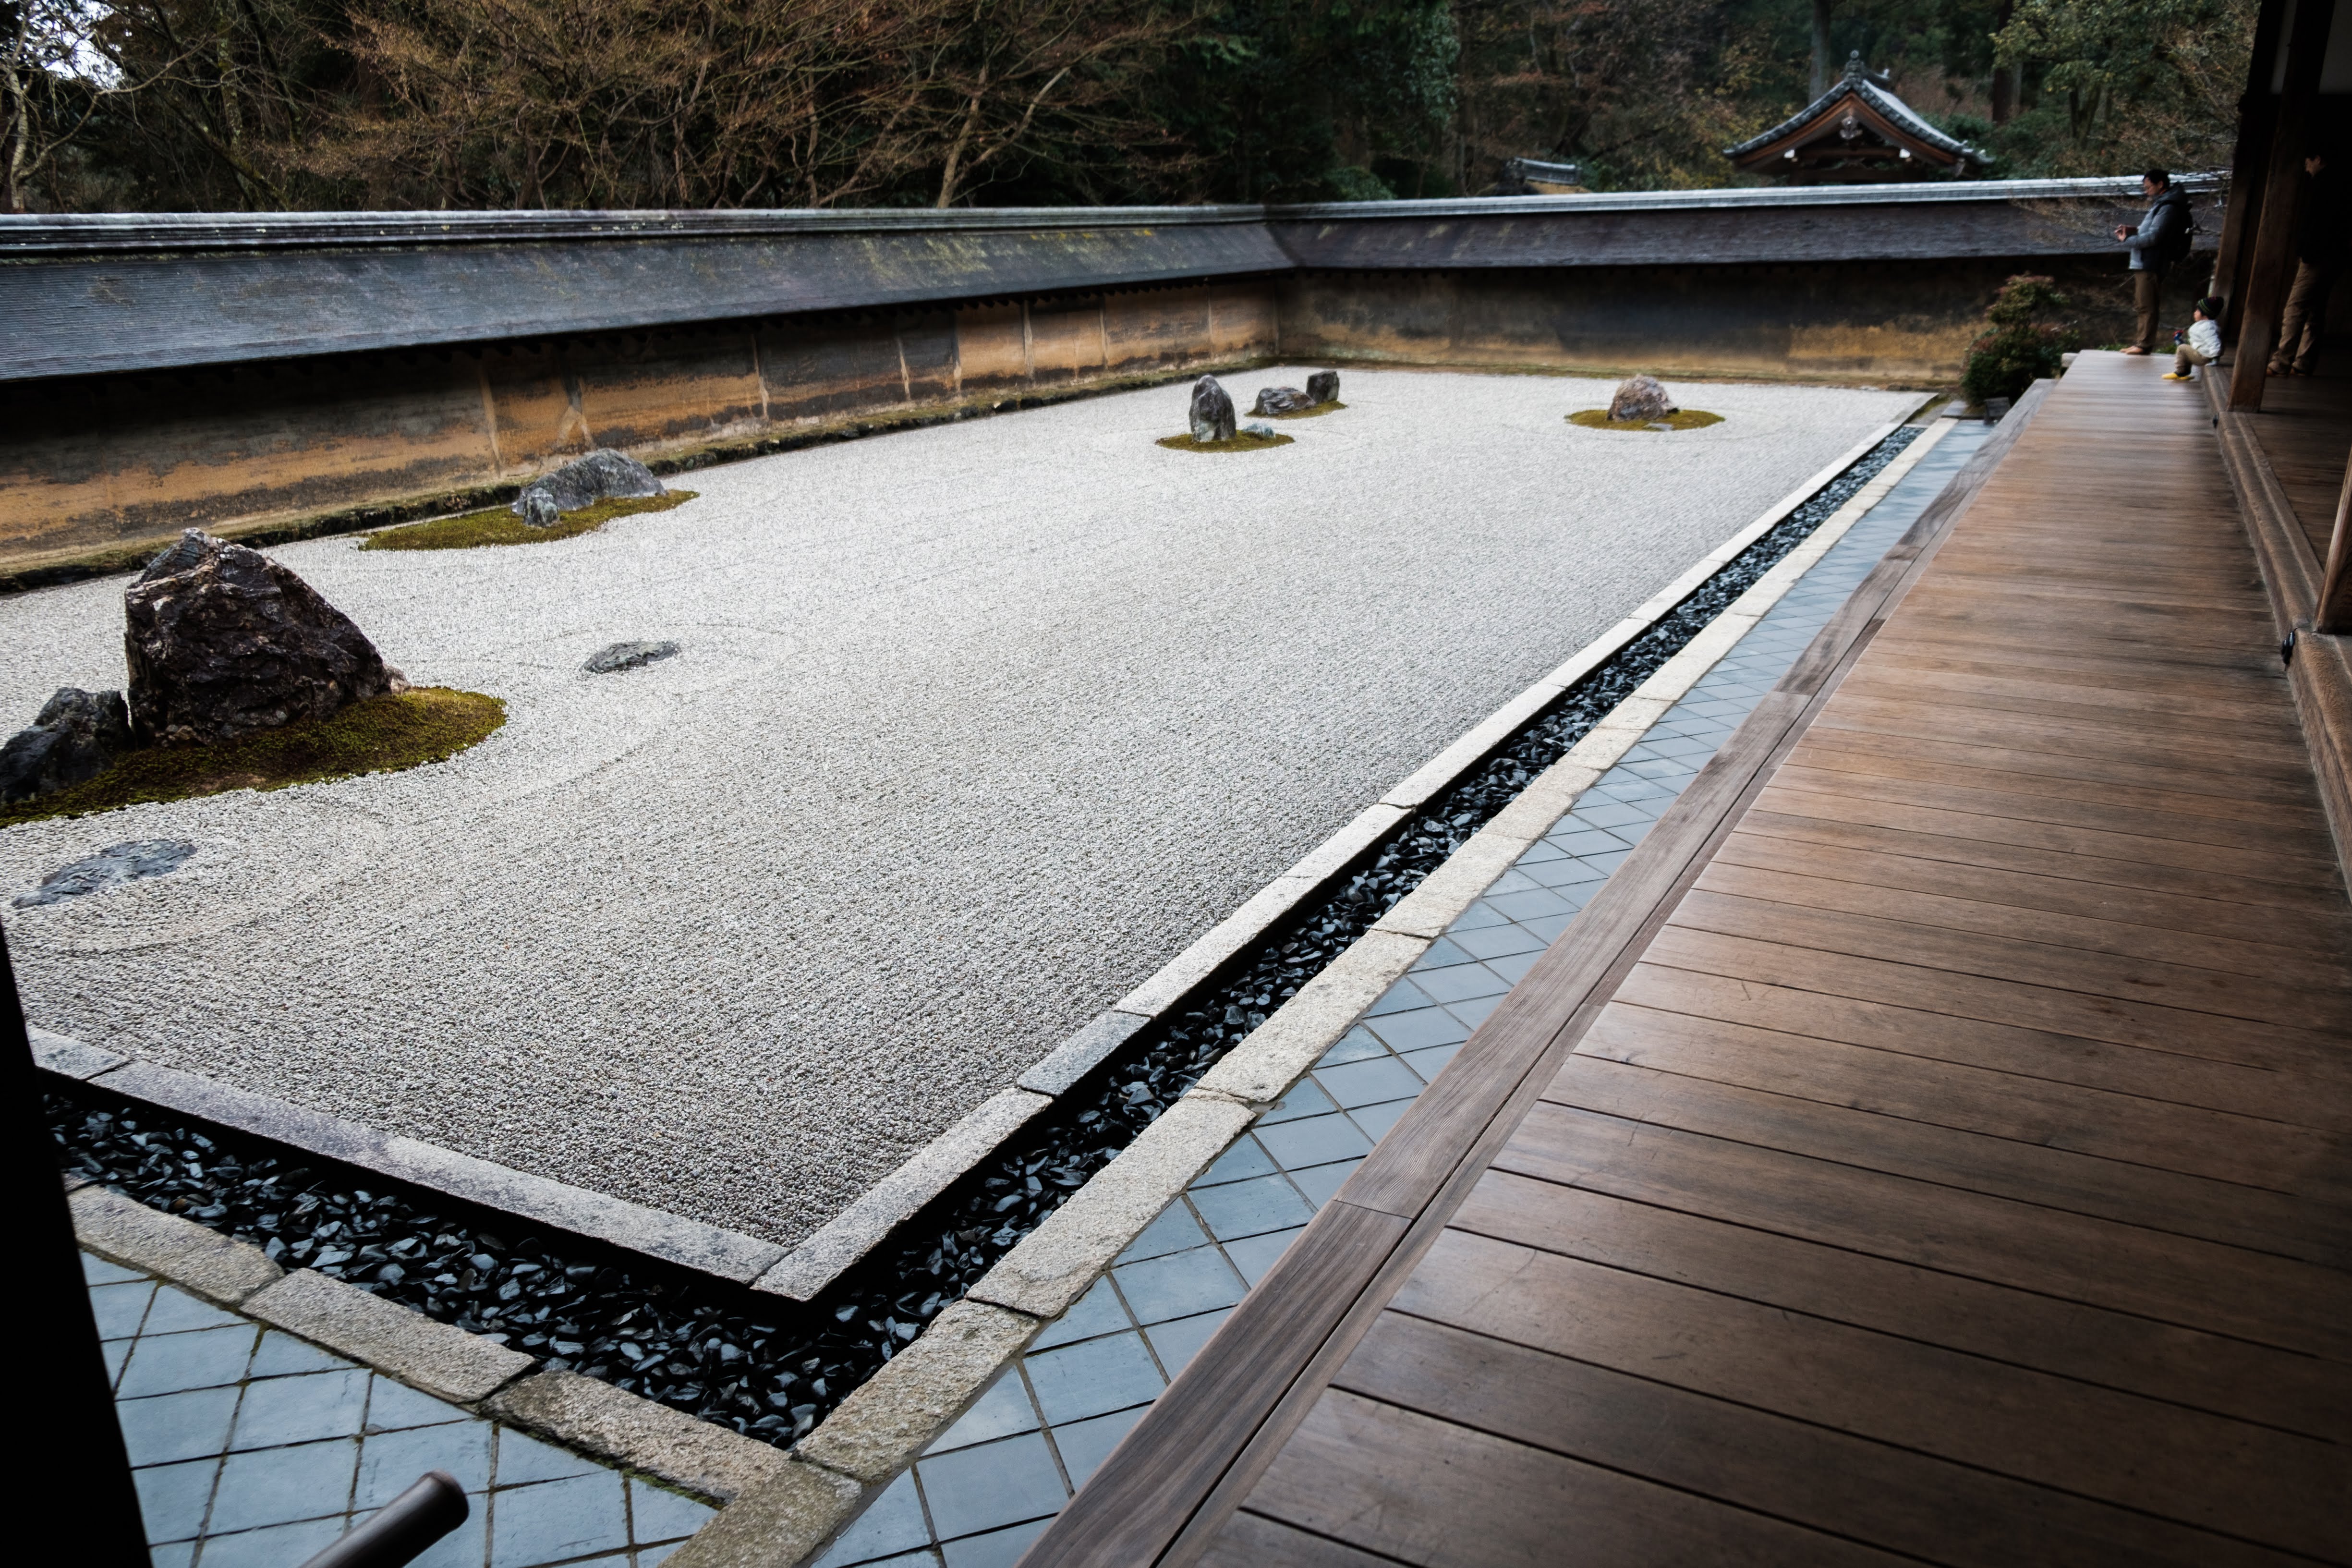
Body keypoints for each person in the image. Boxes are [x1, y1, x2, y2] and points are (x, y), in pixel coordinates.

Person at [2268, 151, 2349, 376]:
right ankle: (2304, 363)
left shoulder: (2324, 186)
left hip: (2318, 256)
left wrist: (2306, 253)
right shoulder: (2340, 184)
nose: (2306, 166)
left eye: (2308, 161)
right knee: (2315, 309)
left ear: (2320, 160)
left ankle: (2281, 362)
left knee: (2296, 307)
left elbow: (2318, 225)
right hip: (2336, 256)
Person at [2114, 170, 2193, 354]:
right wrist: (2134, 230)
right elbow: (2150, 231)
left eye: (2149, 187)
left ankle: (2144, 344)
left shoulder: (2168, 207)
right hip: (2147, 261)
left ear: (2160, 185)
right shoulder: (2163, 204)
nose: (2146, 191)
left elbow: (2154, 237)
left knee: (2146, 304)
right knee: (2143, 304)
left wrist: (2127, 240)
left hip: (2151, 262)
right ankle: (2142, 343)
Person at [2165, 297, 2224, 380]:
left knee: (2182, 349)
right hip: (2205, 355)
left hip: (2205, 357)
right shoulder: (2205, 325)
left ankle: (2181, 372)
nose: (2195, 313)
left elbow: (2214, 342)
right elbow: (2199, 341)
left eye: (2198, 311)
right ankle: (2185, 372)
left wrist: (2215, 357)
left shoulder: (2207, 327)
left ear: (2206, 315)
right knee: (2185, 349)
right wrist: (2181, 341)